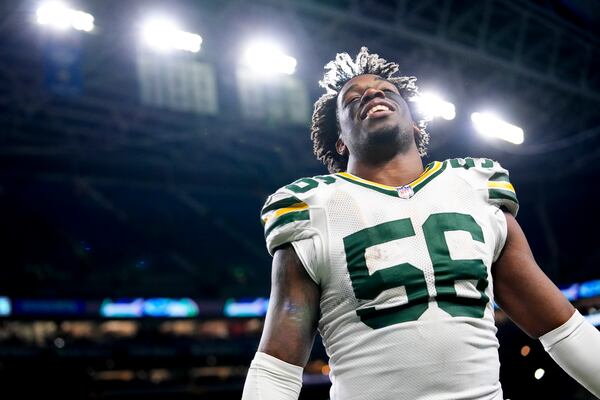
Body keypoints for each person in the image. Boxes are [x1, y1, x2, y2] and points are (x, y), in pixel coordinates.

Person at [241, 47, 600, 400]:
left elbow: (563, 328)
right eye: (353, 99)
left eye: (386, 90)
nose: (372, 94)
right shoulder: (312, 209)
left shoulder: (474, 187)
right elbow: (277, 367)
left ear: (415, 123)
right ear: (339, 141)